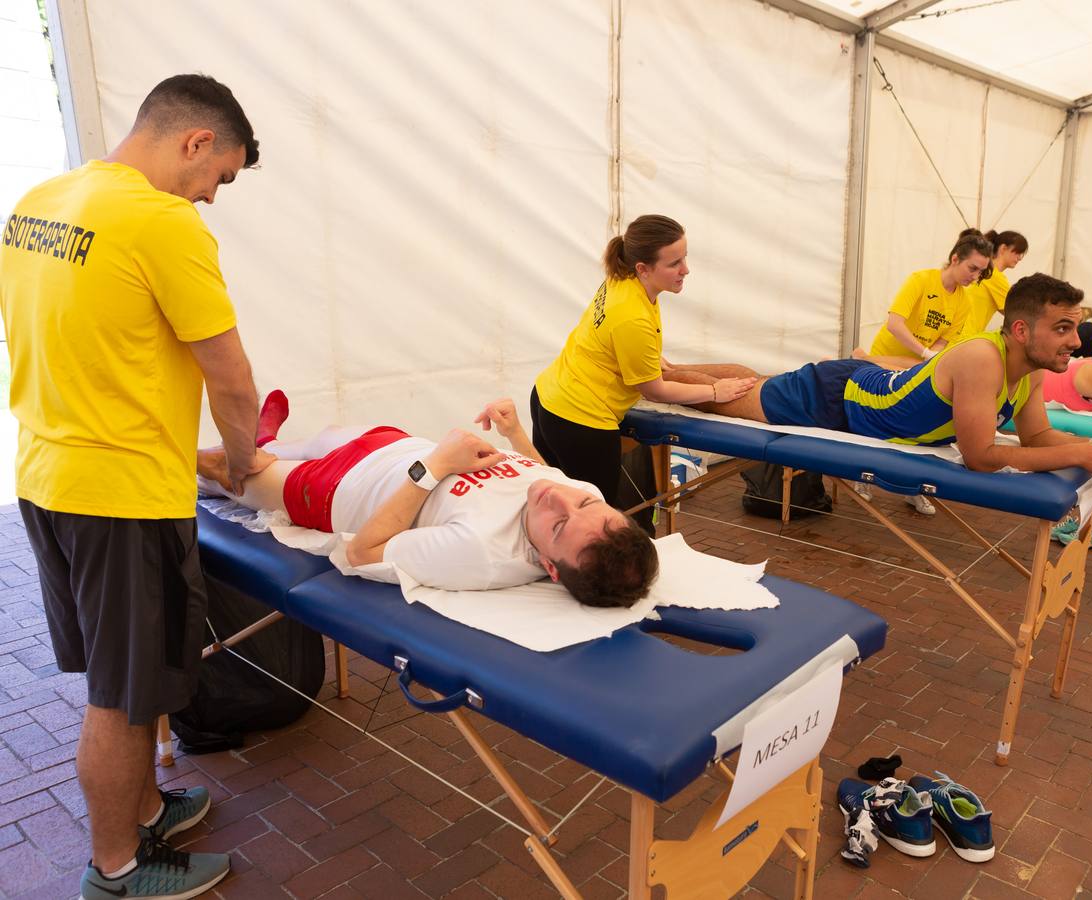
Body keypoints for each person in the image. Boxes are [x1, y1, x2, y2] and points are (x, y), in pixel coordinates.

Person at [0, 75, 268, 899]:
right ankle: (118, 866)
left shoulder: (42, 201)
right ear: (195, 142)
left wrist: (195, 459)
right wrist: (244, 458)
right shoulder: (161, 221)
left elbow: (92, 363)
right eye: (218, 176)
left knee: (122, 676)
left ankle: (147, 806)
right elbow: (231, 382)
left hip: (50, 480)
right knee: (123, 698)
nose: (211, 197)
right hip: (117, 503)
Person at [668, 273, 1092, 480]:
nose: (1076, 341)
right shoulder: (984, 358)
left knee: (753, 383)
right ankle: (660, 377)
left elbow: (1037, 434)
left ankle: (667, 368)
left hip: (865, 382)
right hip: (838, 398)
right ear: (1021, 330)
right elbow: (981, 457)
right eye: (1063, 328)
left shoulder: (1030, 370)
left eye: (1075, 327)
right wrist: (1081, 452)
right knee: (725, 400)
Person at [199, 396, 658, 606]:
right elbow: (547, 476)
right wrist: (516, 434)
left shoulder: (483, 553)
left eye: (558, 525)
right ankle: (267, 443)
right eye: (584, 505)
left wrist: (436, 467)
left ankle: (201, 464)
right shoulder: (590, 503)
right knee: (313, 438)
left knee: (227, 473)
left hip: (331, 490)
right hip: (392, 445)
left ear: (550, 567)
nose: (557, 497)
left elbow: (361, 554)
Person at [532, 215, 755, 509]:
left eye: (684, 258)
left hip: (549, 396)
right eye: (674, 263)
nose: (685, 270)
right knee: (593, 517)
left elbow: (603, 334)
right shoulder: (632, 315)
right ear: (643, 268)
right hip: (579, 420)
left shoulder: (622, 277)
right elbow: (655, 391)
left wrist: (639, 357)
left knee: (555, 511)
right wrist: (716, 392)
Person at [859, 231, 992, 362]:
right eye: (972, 268)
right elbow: (894, 324)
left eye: (980, 272)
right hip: (883, 357)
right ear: (955, 259)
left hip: (912, 368)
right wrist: (925, 352)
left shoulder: (964, 303)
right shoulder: (921, 280)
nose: (975, 277)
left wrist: (930, 356)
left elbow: (942, 341)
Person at [961, 229, 1027, 336]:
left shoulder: (985, 271)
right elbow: (1014, 311)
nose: (1019, 258)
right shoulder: (994, 276)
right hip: (964, 336)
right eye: (1017, 252)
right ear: (1003, 248)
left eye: (1022, 254)